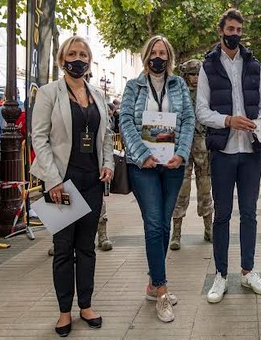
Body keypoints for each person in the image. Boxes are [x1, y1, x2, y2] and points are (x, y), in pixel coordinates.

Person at [30, 36, 114, 336]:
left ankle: (86, 305)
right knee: (63, 248)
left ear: (89, 60)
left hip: (92, 180)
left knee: (87, 247)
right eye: (72, 54)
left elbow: (105, 136)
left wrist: (108, 164)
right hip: (61, 183)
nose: (78, 59)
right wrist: (52, 181)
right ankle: (64, 311)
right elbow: (38, 138)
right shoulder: (49, 92)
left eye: (83, 54)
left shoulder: (96, 94)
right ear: (61, 59)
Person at [196, 8, 261, 303]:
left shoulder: (254, 64)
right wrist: (228, 120)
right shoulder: (208, 65)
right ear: (221, 31)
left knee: (250, 214)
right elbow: (202, 111)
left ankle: (248, 270)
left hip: (251, 150)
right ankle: (220, 275)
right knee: (223, 215)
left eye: (239, 30)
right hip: (224, 151)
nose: (235, 34)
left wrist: (260, 122)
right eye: (230, 29)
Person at [120, 35, 194, 323]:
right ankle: (161, 290)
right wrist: (141, 155)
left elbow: (188, 120)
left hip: (173, 164)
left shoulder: (178, 85)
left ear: (169, 57)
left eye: (163, 52)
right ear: (146, 55)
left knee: (164, 225)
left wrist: (183, 153)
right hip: (144, 166)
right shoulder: (133, 86)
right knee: (153, 223)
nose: (158, 56)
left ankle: (153, 283)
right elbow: (125, 121)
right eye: (154, 51)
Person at [169, 59, 213, 251]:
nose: (195, 78)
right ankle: (176, 233)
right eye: (192, 74)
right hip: (183, 145)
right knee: (181, 189)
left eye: (197, 74)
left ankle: (209, 228)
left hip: (203, 142)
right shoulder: (177, 94)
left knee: (206, 187)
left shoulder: (208, 93)